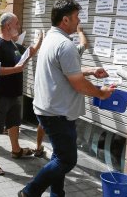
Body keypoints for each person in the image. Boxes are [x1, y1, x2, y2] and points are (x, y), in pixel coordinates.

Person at [18, 0, 115, 197]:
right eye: (76, 17)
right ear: (65, 20)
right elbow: (77, 83)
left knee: (58, 155)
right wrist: (100, 93)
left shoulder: (51, 40)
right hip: (57, 114)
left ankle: (57, 193)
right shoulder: (65, 45)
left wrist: (90, 70)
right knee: (67, 160)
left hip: (48, 110)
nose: (79, 21)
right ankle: (29, 192)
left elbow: (66, 71)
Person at [0, 12, 40, 176]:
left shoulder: (14, 44)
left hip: (14, 94)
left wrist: (38, 43)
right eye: (16, 23)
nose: (19, 26)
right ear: (8, 25)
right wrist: (15, 69)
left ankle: (16, 150)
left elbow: (26, 56)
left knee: (14, 124)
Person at [33, 24, 88, 158]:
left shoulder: (48, 47)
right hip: (57, 107)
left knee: (44, 124)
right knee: (63, 157)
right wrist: (80, 32)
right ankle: (44, 164)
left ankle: (38, 147)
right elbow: (84, 44)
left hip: (45, 100)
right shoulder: (69, 50)